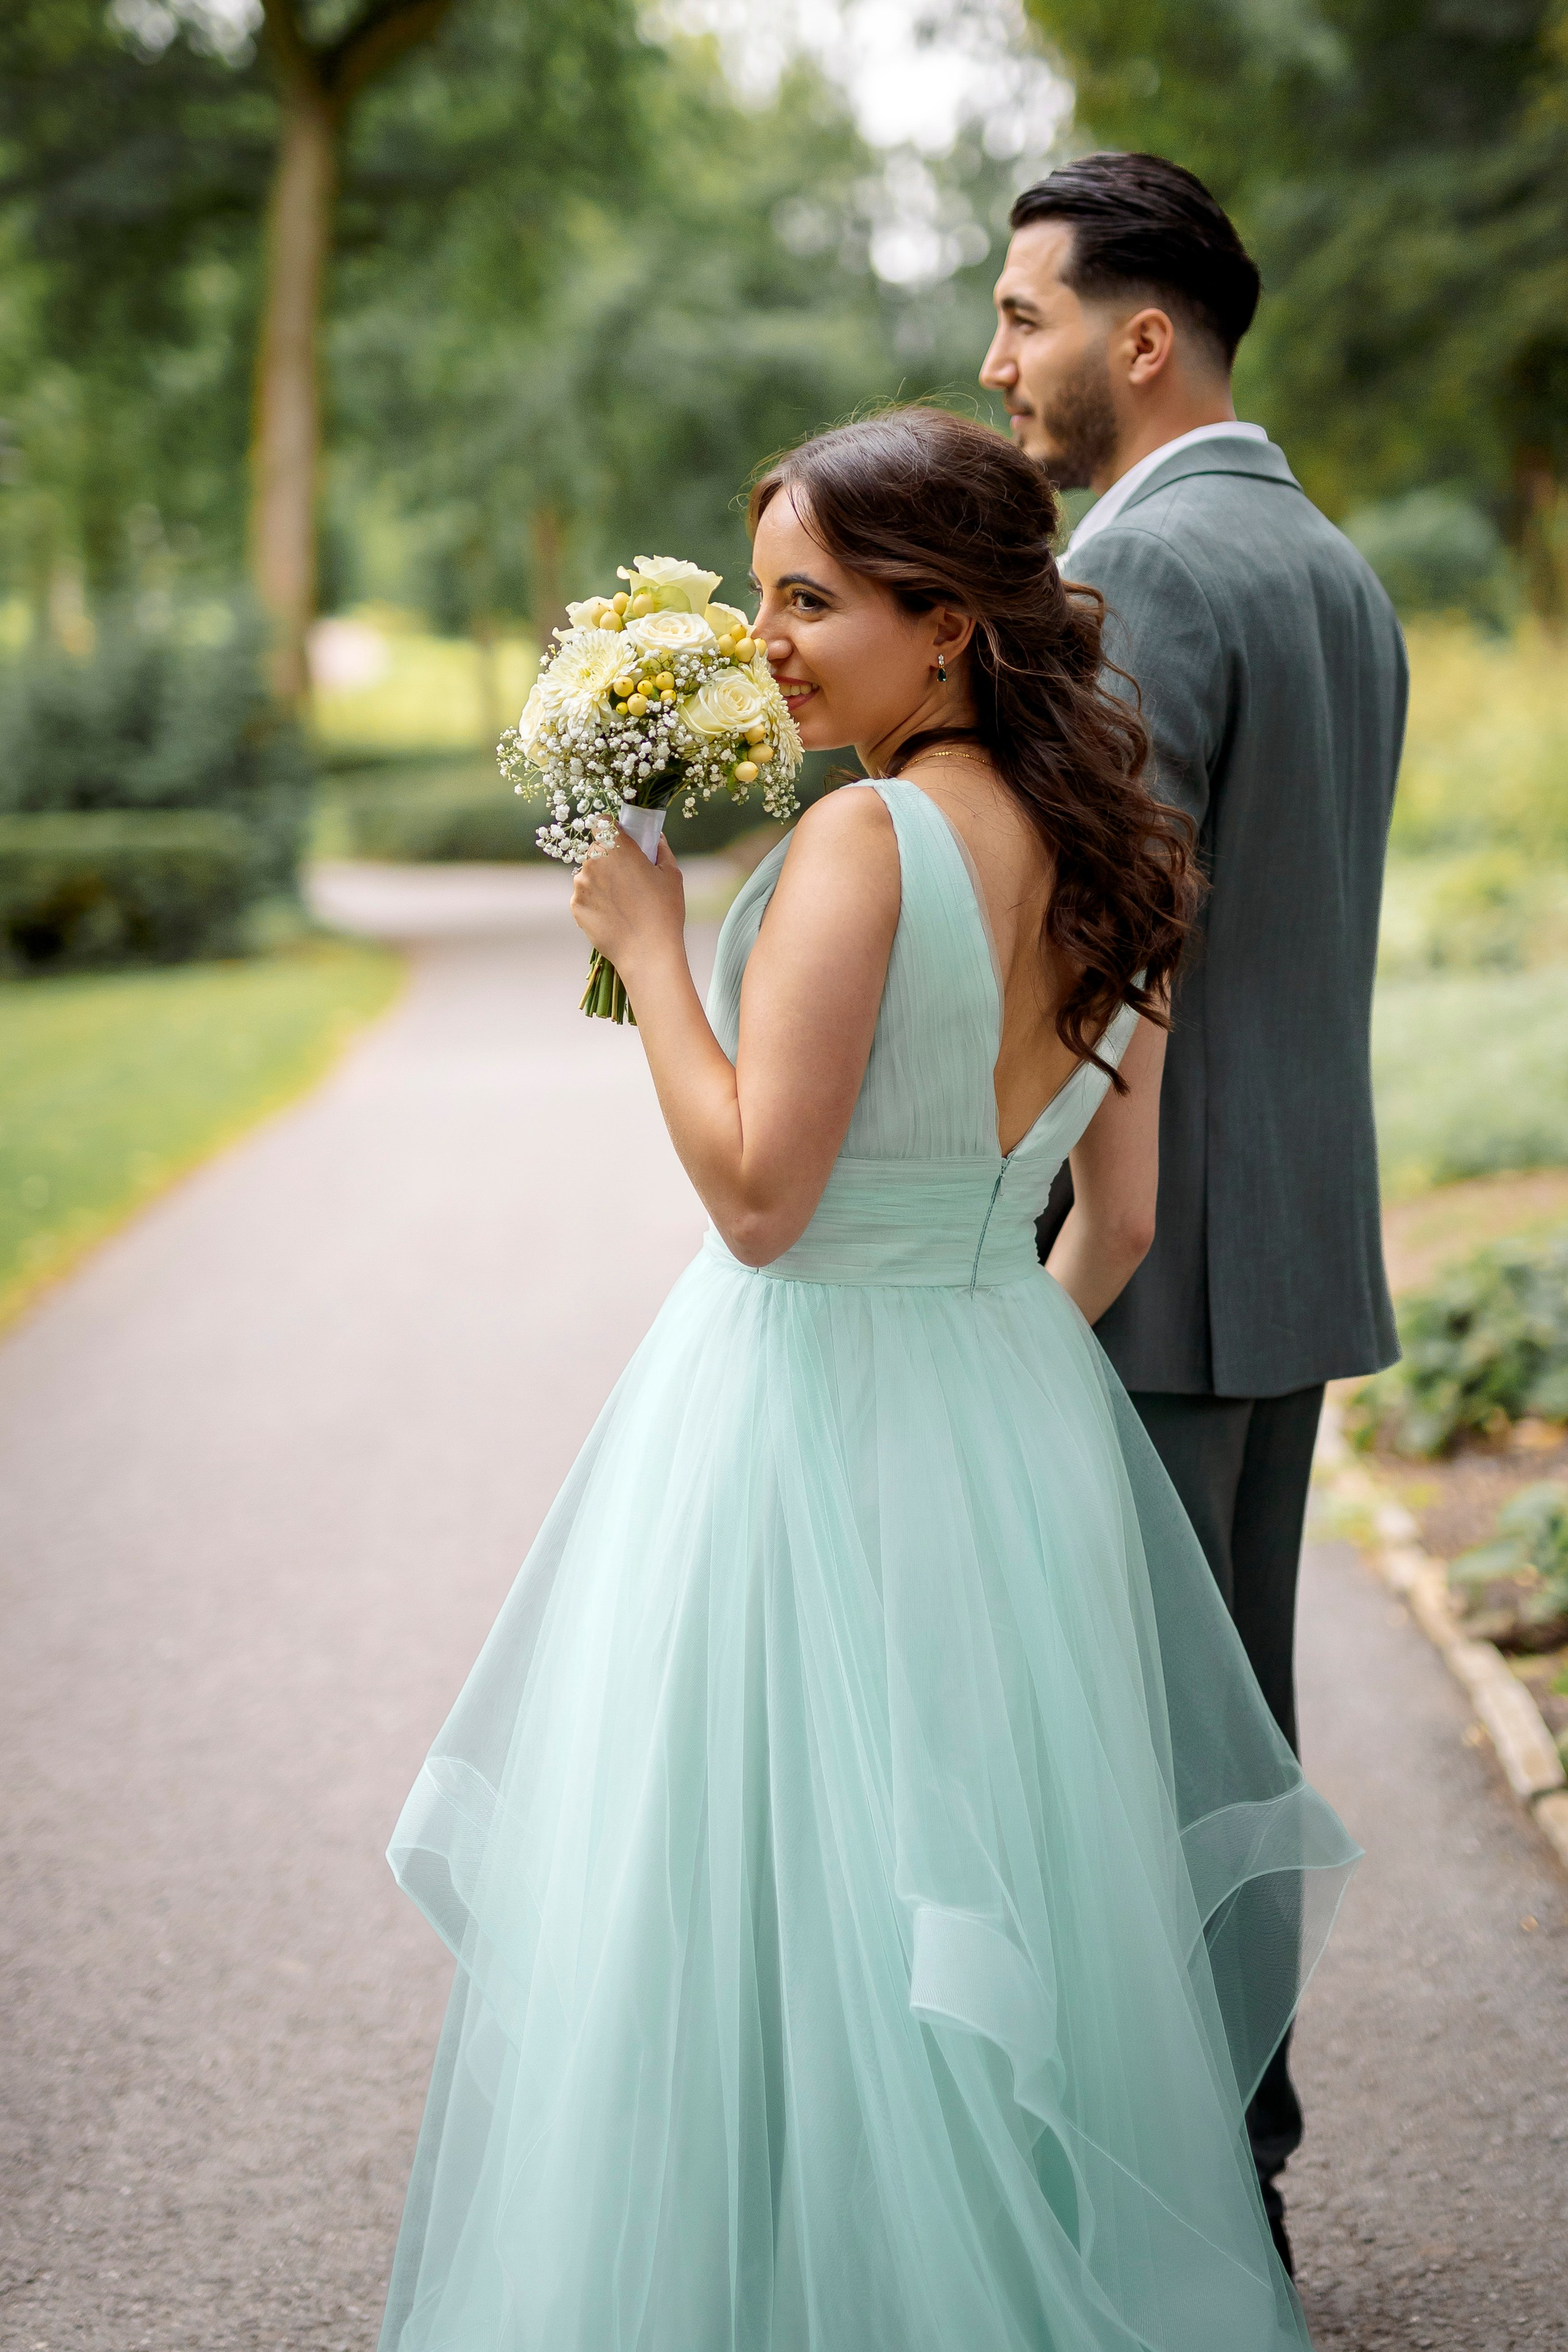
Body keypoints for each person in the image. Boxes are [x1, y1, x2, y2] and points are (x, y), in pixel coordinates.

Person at [375, 407, 1358, 2352]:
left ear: (953, 625)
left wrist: (655, 950)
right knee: (972, 1886)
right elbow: (1123, 1219)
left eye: (813, 600)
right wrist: (989, 1384)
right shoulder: (1117, 854)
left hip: (798, 1413)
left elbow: (757, 1198)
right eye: (762, 597)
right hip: (1011, 1418)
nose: (769, 642)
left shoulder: (862, 844)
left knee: (766, 1885)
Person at [981, 150, 1408, 2271]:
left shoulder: (1144, 580)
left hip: (1145, 1254)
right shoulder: (1335, 566)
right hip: (1297, 1235)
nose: (999, 365)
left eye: (1026, 317)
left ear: (1141, 341)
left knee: (1120, 1729)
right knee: (1228, 1710)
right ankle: (1235, 2127)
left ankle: (1183, 2173)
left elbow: (1106, 953)